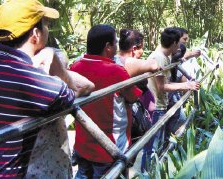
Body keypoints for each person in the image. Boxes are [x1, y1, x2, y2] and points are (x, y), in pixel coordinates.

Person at [0, 0, 76, 178]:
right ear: (36, 34)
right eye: (46, 25)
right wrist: (54, 59)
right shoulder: (37, 82)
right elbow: (71, 96)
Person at [70, 24, 142, 178]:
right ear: (108, 46)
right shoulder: (116, 71)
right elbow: (133, 97)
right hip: (109, 148)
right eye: (115, 43)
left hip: (83, 145)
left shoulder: (75, 67)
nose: (117, 47)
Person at [26, 48, 95, 179]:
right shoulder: (52, 92)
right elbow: (88, 85)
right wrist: (58, 72)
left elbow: (88, 85)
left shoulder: (54, 91)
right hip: (47, 166)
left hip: (48, 163)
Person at [142, 27, 200, 171]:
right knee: (151, 148)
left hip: (160, 105)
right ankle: (146, 173)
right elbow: (161, 86)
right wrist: (186, 85)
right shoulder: (159, 58)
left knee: (157, 144)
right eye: (180, 43)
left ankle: (154, 170)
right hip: (155, 107)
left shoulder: (166, 56)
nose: (181, 47)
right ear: (174, 43)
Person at [114, 29, 158, 152]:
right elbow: (154, 65)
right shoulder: (127, 62)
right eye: (142, 48)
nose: (142, 52)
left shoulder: (114, 60)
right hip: (126, 118)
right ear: (134, 49)